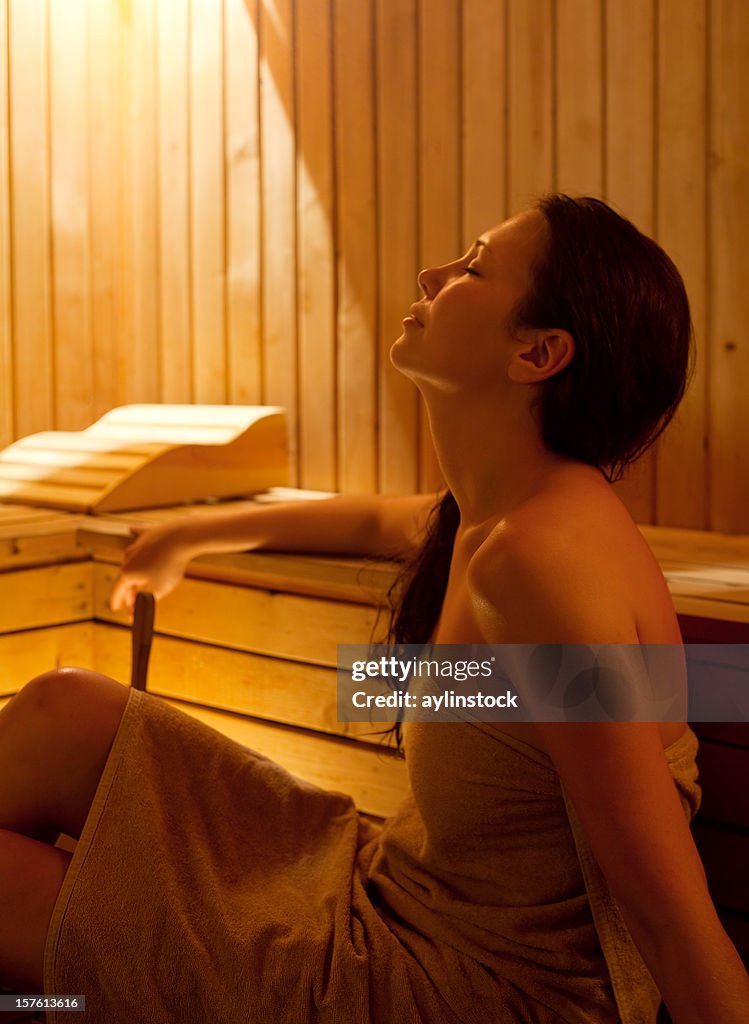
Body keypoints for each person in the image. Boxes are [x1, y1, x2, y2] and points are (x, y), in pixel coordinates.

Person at [1, 195, 747, 1023]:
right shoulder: (502, 511)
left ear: (537, 353)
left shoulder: (541, 567)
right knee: (63, 707)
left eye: (471, 267)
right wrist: (191, 533)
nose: (432, 274)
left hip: (465, 985)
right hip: (391, 886)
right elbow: (376, 518)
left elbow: (667, 913)